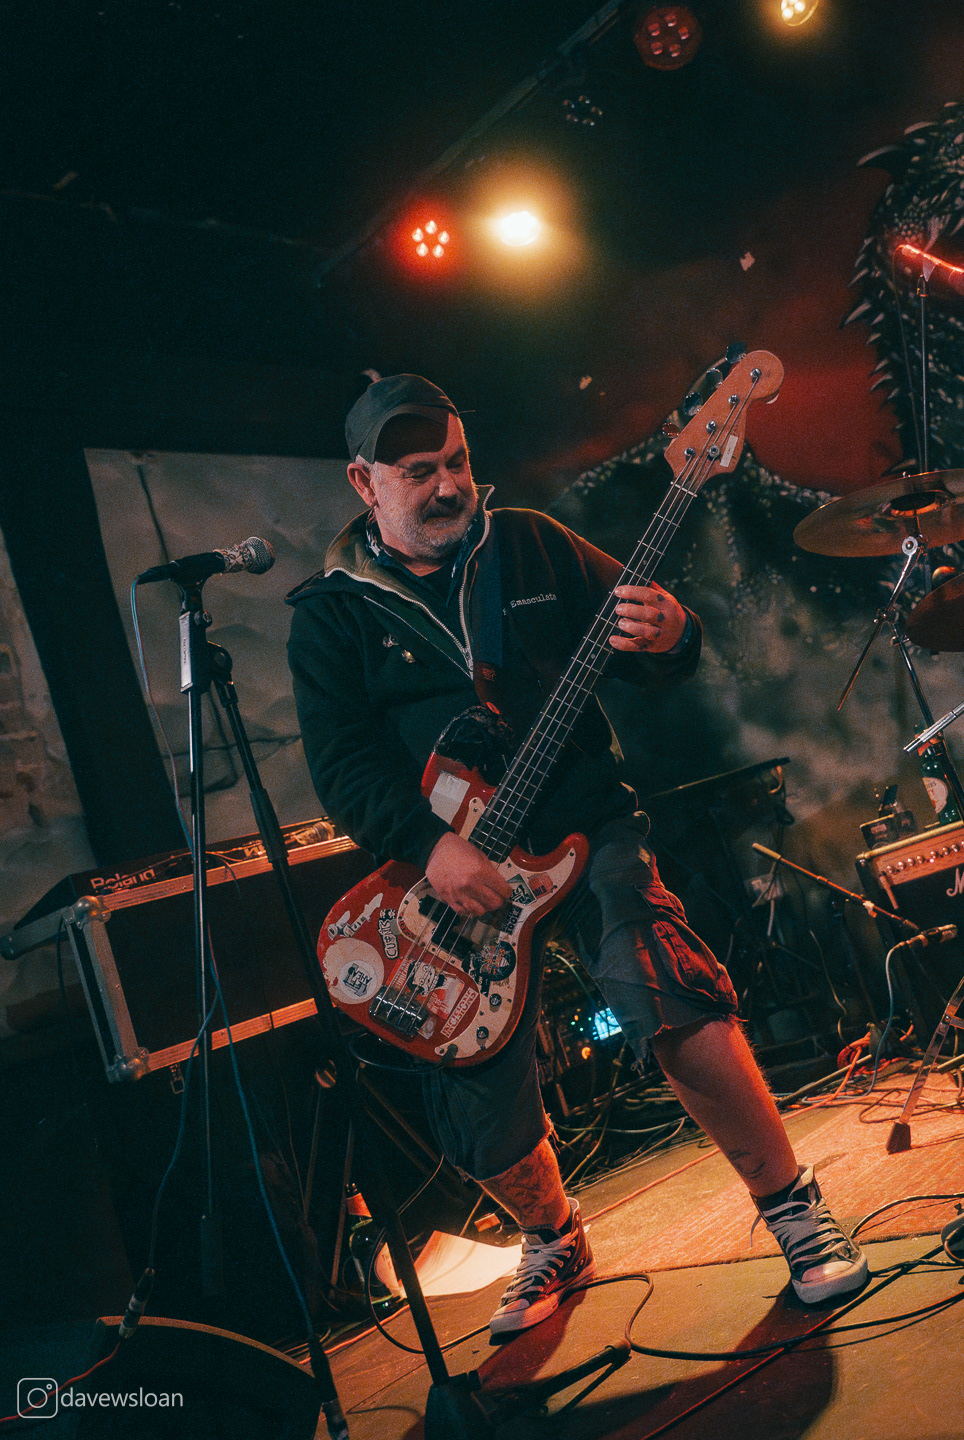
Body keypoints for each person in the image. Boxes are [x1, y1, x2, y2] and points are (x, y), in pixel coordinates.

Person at [286, 374, 868, 1336]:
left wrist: (674, 633)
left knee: (663, 984)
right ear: (364, 482)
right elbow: (343, 767)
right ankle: (552, 1236)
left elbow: (658, 639)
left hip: (583, 827)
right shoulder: (331, 613)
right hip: (449, 874)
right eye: (420, 471)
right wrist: (431, 849)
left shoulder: (529, 543)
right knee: (471, 1087)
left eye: (458, 462)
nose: (449, 486)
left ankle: (793, 1208)